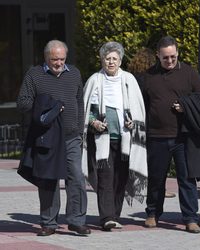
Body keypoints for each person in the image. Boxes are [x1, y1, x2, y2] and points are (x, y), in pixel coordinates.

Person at [17, 40, 91, 236]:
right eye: (54, 59)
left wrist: (80, 130)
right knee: (48, 179)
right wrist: (46, 107)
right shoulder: (35, 74)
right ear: (46, 57)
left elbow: (79, 102)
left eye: (62, 59)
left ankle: (77, 220)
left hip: (71, 136)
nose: (58, 63)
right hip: (47, 137)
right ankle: (49, 223)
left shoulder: (74, 73)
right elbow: (23, 102)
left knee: (76, 176)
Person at [141, 35, 200, 233]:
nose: (170, 61)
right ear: (158, 55)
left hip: (183, 136)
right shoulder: (148, 76)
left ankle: (190, 218)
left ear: (177, 53)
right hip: (156, 135)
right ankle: (152, 214)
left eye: (173, 56)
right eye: (166, 58)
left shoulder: (189, 73)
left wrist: (185, 106)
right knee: (156, 178)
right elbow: (142, 105)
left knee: (186, 179)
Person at [82, 41, 147, 231]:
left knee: (121, 178)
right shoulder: (95, 80)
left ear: (120, 61)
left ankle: (115, 214)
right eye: (107, 58)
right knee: (105, 178)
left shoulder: (129, 80)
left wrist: (132, 122)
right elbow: (87, 109)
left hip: (125, 139)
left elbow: (138, 110)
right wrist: (93, 122)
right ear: (102, 60)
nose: (111, 62)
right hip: (102, 140)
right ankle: (107, 217)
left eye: (114, 59)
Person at [128, 47, 176, 199]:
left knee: (138, 154)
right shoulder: (152, 77)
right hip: (151, 122)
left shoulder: (133, 77)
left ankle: (136, 186)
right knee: (156, 161)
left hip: (136, 120)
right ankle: (158, 188)